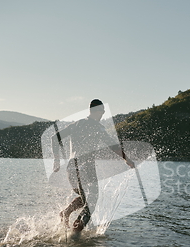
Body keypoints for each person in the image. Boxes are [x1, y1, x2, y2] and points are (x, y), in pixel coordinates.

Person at [52, 99, 134, 237]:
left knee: (85, 198)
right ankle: (76, 232)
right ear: (95, 111)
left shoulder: (76, 124)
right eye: (102, 111)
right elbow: (112, 146)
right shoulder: (98, 127)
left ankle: (66, 213)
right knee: (92, 201)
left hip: (71, 168)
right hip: (85, 167)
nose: (103, 114)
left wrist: (56, 160)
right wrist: (127, 159)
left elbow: (55, 138)